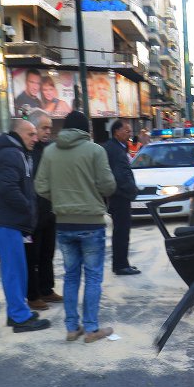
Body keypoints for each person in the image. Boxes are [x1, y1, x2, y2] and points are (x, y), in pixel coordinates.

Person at [34, 111, 117, 343]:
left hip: (63, 222)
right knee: (93, 277)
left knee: (71, 276)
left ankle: (72, 328)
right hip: (91, 222)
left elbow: (40, 186)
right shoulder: (95, 151)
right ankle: (91, 329)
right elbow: (108, 186)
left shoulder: (50, 151)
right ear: (85, 130)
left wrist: (60, 198)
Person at [0, 119, 51, 333]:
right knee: (14, 271)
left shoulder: (14, 153)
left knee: (18, 270)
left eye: (35, 134)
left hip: (9, 222)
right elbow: (7, 187)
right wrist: (28, 208)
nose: (35, 138)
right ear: (17, 134)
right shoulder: (11, 154)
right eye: (30, 134)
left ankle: (17, 312)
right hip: (6, 223)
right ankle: (19, 317)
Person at [24, 110, 63, 311]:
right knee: (32, 256)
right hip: (32, 214)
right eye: (44, 128)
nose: (48, 131)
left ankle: (47, 289)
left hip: (49, 210)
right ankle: (33, 295)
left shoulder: (49, 149)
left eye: (50, 128)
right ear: (33, 128)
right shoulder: (27, 152)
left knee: (48, 253)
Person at [103, 119, 141, 276]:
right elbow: (121, 175)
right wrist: (132, 190)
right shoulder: (115, 150)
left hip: (117, 195)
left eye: (130, 131)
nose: (129, 134)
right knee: (122, 232)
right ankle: (121, 265)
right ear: (116, 132)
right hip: (119, 196)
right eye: (126, 131)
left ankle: (121, 263)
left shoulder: (117, 147)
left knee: (120, 231)